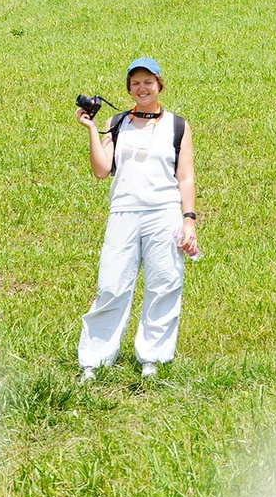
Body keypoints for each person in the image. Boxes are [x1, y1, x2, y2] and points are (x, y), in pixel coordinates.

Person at [74, 57, 200, 382]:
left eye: (148, 82)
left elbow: (185, 177)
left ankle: (152, 359)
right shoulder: (117, 122)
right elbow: (102, 170)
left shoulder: (177, 125)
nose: (141, 88)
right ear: (129, 88)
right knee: (111, 285)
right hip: (124, 212)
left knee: (164, 284)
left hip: (164, 213)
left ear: (159, 85)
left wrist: (189, 219)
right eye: (135, 83)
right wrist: (92, 128)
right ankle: (94, 361)